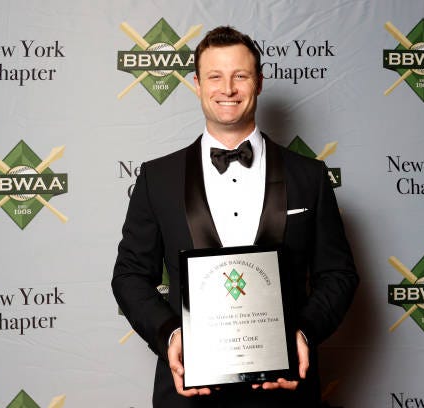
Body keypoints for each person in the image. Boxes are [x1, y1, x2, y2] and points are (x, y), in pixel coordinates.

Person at [112, 25, 358, 408]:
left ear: (258, 82)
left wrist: (304, 334)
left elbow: (338, 273)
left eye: (240, 76)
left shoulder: (309, 176)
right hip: (190, 393)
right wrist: (171, 336)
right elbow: (129, 276)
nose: (227, 89)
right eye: (215, 76)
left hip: (286, 391)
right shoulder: (156, 178)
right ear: (196, 83)